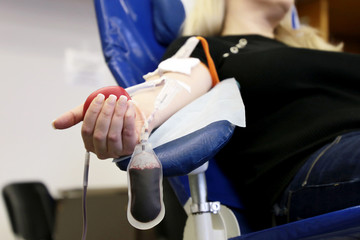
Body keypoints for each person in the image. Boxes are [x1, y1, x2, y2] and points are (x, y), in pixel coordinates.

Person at [53, 0, 360, 231]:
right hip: (317, 164)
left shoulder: (322, 51)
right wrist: (127, 118)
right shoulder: (210, 47)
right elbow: (167, 89)